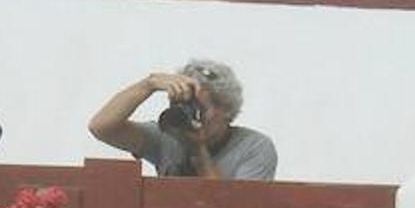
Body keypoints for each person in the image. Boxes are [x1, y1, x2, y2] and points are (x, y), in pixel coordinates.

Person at [88, 59, 277, 181]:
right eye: (182, 105)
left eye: (199, 108)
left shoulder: (254, 147)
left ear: (226, 110)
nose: (189, 113)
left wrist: (198, 151)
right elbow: (102, 127)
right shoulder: (168, 137)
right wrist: (149, 84)